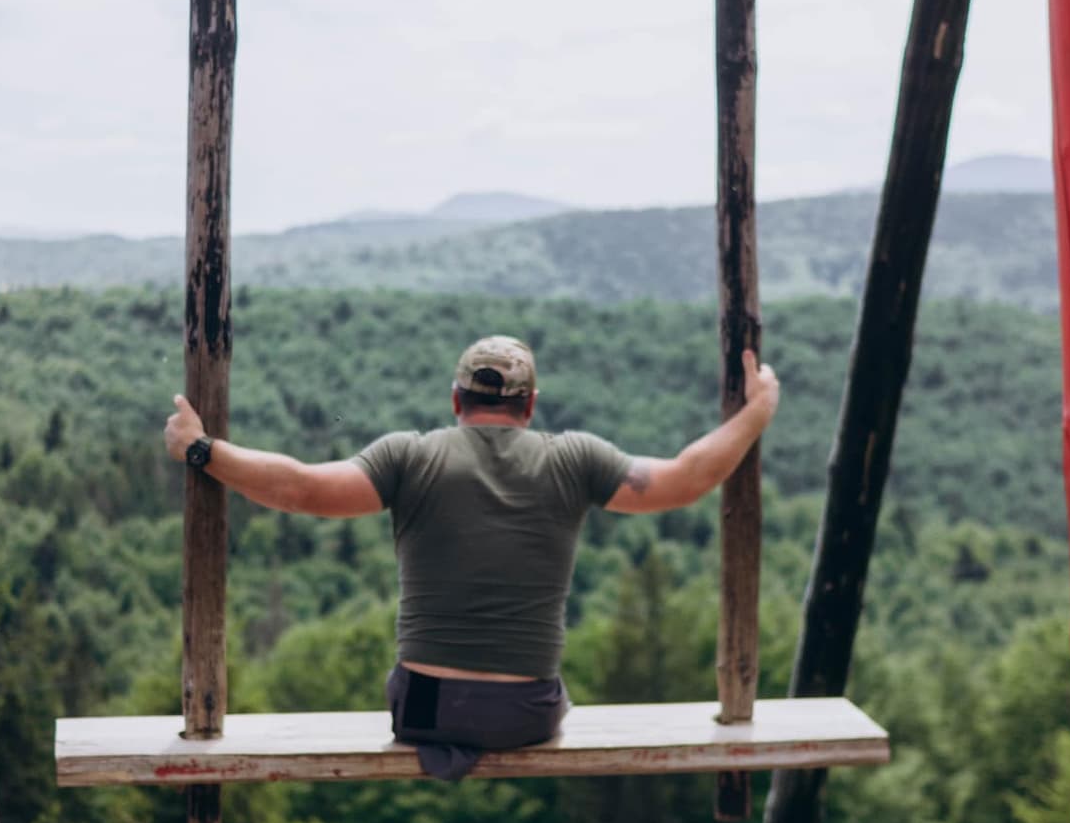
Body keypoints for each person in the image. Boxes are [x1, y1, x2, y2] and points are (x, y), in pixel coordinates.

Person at [164, 334, 779, 779]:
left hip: (424, 710)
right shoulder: (574, 460)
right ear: (530, 404)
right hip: (526, 713)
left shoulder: (409, 456)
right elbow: (688, 477)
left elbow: (298, 487)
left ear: (456, 401)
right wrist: (758, 411)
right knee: (552, 689)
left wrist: (201, 449)